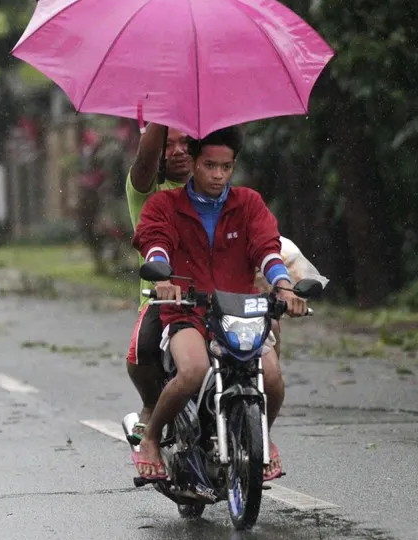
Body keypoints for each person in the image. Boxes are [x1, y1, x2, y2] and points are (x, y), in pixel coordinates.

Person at [131, 126, 308, 483]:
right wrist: (163, 278)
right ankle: (150, 439)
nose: (217, 175)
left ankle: (263, 436)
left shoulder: (249, 204)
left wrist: (285, 288)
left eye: (226, 167)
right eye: (209, 165)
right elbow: (155, 243)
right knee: (193, 370)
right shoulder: (165, 204)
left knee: (272, 379)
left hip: (240, 310)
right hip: (186, 309)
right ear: (194, 162)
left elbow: (267, 250)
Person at [124, 122, 193, 440]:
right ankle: (151, 406)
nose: (179, 150)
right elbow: (145, 160)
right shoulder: (148, 192)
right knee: (142, 349)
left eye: (187, 142)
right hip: (164, 298)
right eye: (170, 144)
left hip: (214, 293)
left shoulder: (214, 188)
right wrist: (164, 105)